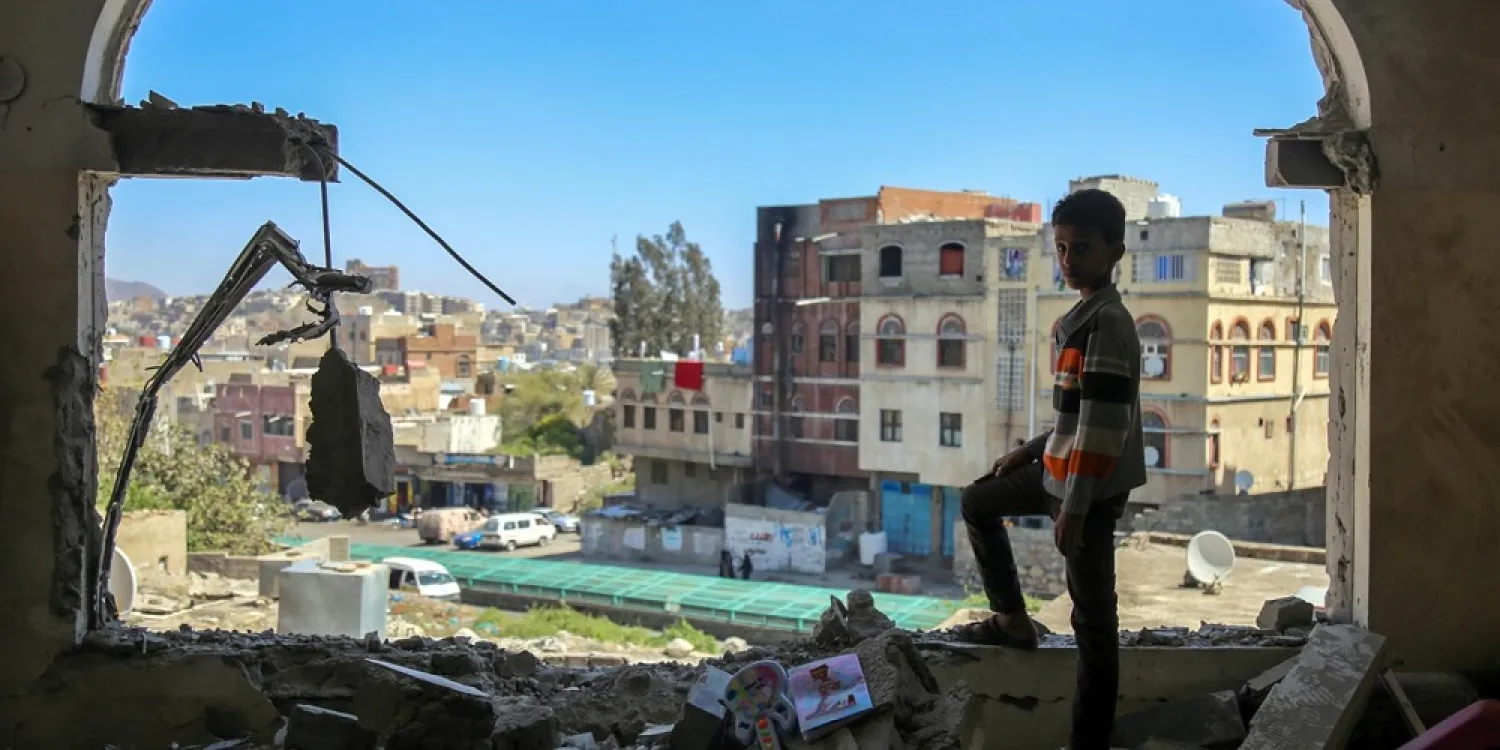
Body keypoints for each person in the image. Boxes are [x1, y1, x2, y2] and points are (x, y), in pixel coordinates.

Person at [953, 188, 1147, 749]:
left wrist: (1076, 510)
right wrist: (1031, 451)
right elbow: (1075, 416)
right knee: (978, 500)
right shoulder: (1078, 321)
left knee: (1093, 624)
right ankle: (1012, 621)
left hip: (1088, 489)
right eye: (1060, 248)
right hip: (1059, 472)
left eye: (1081, 248)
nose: (1067, 260)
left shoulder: (1107, 325)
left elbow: (1102, 432)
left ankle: (1089, 740)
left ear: (1115, 251)